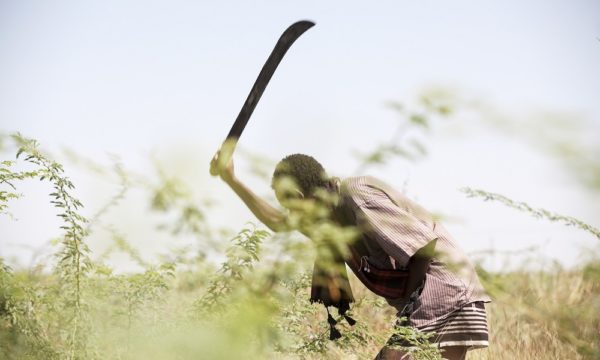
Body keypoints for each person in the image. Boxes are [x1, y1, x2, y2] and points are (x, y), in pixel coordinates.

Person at [210, 151, 491, 360]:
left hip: (444, 284)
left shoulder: (357, 195)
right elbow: (277, 223)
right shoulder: (328, 218)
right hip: (440, 290)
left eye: (291, 206)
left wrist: (408, 313)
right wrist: (231, 180)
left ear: (300, 195)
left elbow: (422, 248)